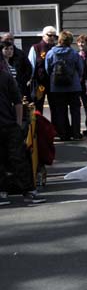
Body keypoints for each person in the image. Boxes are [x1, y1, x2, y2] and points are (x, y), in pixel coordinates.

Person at [0, 58, 45, 205]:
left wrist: (19, 124)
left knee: (18, 158)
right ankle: (2, 193)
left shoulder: (5, 77)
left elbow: (18, 101)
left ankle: (28, 192)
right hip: (8, 125)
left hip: (9, 124)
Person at [45, 31, 84, 141]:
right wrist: (76, 78)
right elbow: (80, 69)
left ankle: (64, 134)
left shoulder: (51, 53)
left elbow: (47, 69)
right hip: (73, 86)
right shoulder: (74, 53)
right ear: (70, 41)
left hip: (57, 87)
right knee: (75, 110)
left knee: (61, 111)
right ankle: (76, 133)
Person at [27, 25, 57, 111]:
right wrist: (29, 79)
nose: (52, 37)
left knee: (55, 107)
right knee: (38, 106)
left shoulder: (56, 48)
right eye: (49, 35)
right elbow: (31, 65)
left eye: (54, 36)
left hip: (53, 83)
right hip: (39, 84)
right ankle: (38, 125)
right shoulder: (36, 48)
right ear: (43, 35)